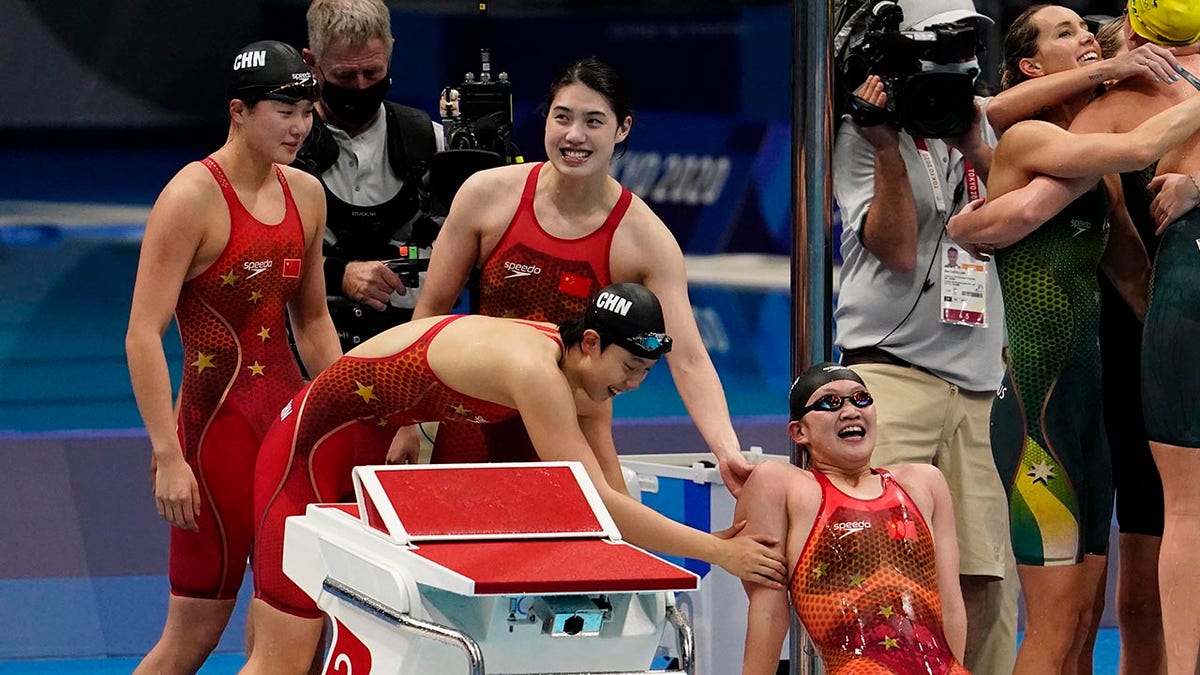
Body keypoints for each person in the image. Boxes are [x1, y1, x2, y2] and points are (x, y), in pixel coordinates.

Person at [239, 283, 788, 675]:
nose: (634, 385)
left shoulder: (589, 383)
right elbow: (597, 500)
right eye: (629, 369)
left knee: (348, 638)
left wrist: (707, 546)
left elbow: (615, 502)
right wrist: (718, 554)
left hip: (370, 450)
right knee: (282, 658)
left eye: (644, 373)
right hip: (311, 450)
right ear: (590, 342)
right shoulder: (536, 372)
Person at [946, 7, 1200, 672]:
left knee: (1085, 623)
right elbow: (1134, 149)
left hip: (1085, 415)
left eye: (1087, 29)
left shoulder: (1098, 178)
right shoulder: (1029, 139)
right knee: (1056, 625)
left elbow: (1138, 284)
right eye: (1065, 33)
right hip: (1039, 415)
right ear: (1032, 66)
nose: (1086, 36)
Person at [403, 56, 755, 494]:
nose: (574, 135)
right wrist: (407, 421)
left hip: (577, 434)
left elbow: (688, 358)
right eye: (562, 117)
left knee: (605, 537)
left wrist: (726, 450)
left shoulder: (645, 240)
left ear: (622, 129)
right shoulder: (486, 195)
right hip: (475, 426)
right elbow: (431, 314)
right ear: (546, 118)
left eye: (593, 121)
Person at [124, 40, 342, 675]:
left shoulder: (307, 194)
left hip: (289, 435)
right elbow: (142, 334)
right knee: (190, 640)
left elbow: (312, 320)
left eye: (307, 112)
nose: (300, 127)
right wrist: (169, 455)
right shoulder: (190, 198)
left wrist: (353, 413)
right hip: (214, 441)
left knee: (289, 636)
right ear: (239, 112)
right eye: (284, 111)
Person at [831, 1, 1014, 669]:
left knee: (985, 580)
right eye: (943, 48)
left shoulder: (983, 123)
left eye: (967, 48)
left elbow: (1027, 224)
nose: (958, 63)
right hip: (890, 376)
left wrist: (974, 144)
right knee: (880, 574)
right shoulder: (862, 135)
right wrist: (887, 146)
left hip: (980, 389)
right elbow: (899, 250)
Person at [737, 363, 968, 675]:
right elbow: (768, 614)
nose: (850, 411)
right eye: (829, 402)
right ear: (799, 432)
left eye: (861, 398)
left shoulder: (924, 483)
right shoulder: (782, 486)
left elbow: (950, 606)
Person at [294, 0, 443, 351]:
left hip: (410, 345)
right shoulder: (285, 149)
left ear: (390, 51)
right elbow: (253, 257)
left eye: (373, 73)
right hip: (304, 344)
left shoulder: (432, 142)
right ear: (311, 63)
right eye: (345, 76)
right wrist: (339, 275)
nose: (361, 86)